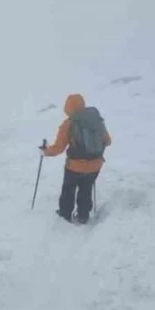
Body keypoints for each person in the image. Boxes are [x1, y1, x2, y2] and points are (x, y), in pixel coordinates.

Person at [41, 94, 112, 223]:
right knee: (86, 189)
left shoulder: (69, 124)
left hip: (75, 166)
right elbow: (108, 141)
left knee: (69, 189)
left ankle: (65, 214)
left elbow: (59, 148)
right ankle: (83, 216)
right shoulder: (96, 120)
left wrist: (46, 152)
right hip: (95, 165)